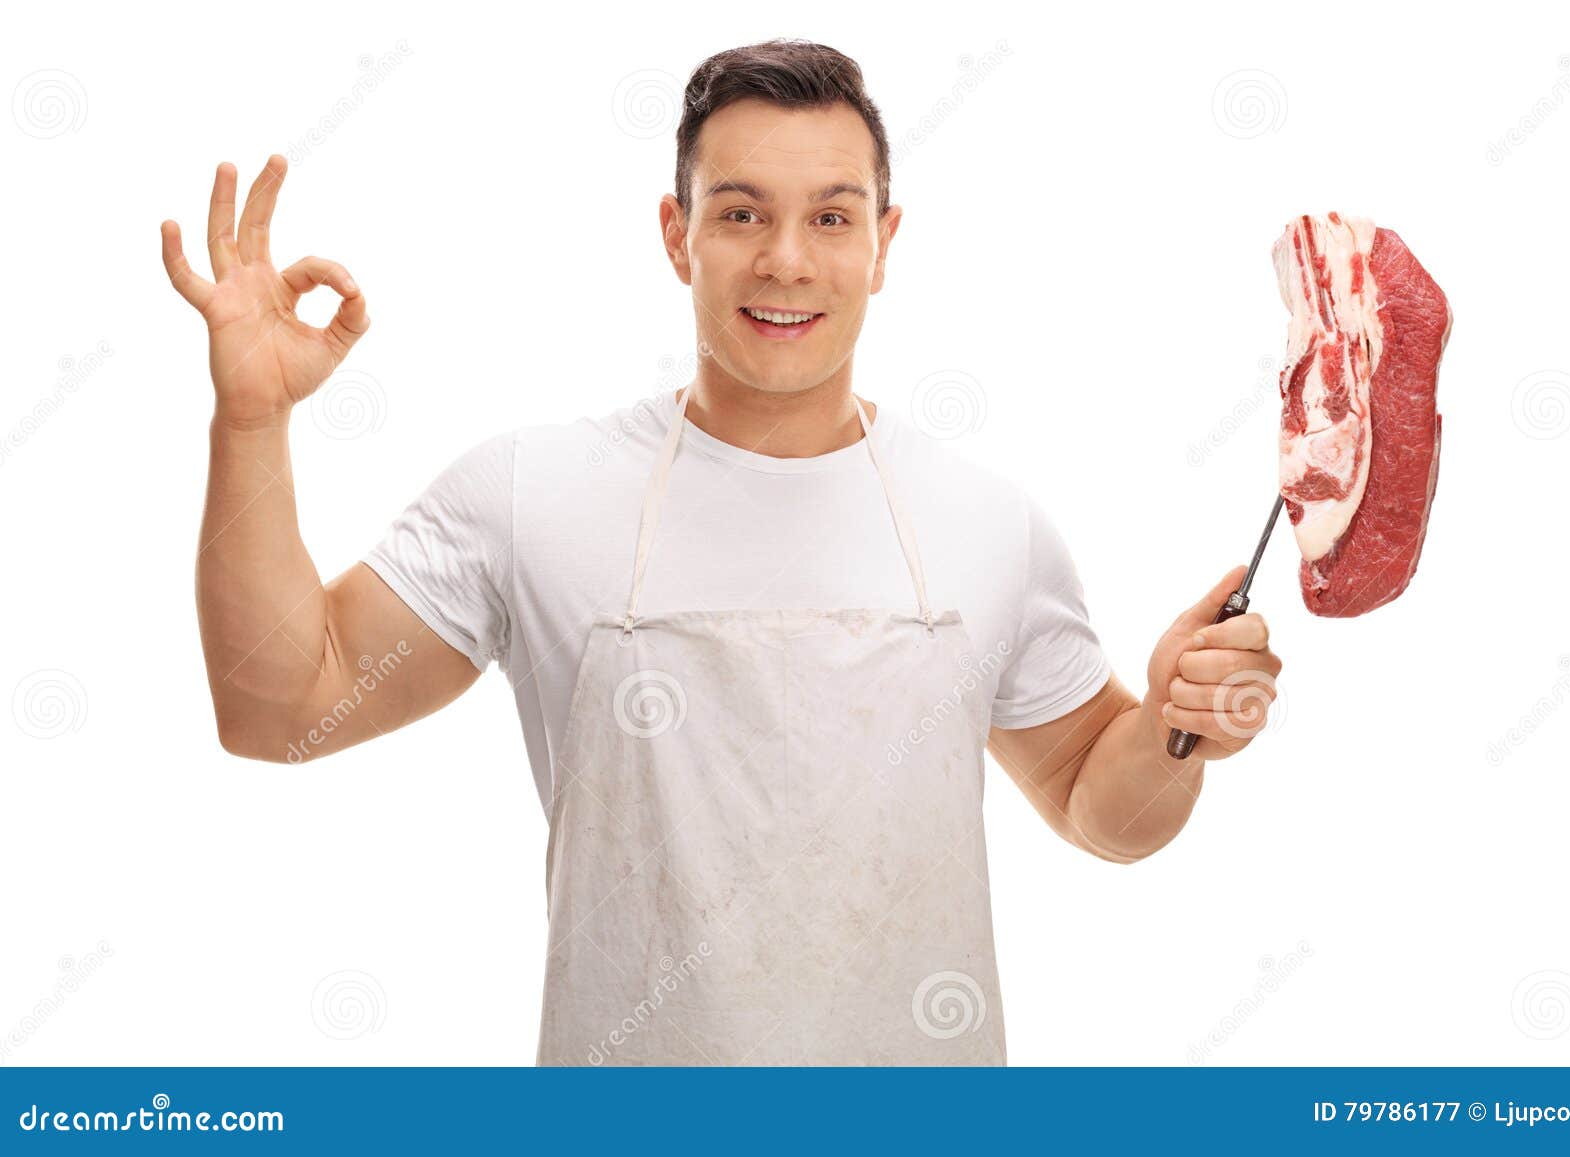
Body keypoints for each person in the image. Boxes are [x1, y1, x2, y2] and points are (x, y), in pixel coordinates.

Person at [160, 38, 1282, 1066]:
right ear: (675, 233)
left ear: (884, 243)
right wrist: (251, 420)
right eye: (740, 214)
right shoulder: (531, 493)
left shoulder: (986, 522)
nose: (785, 259)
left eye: (832, 218)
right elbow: (277, 706)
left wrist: (1174, 725)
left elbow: (1103, 811)